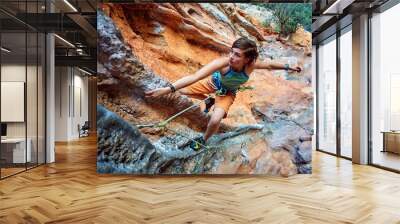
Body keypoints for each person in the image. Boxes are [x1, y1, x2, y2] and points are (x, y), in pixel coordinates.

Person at [145, 37, 301, 151]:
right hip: (211, 84)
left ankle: (203, 140)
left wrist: (289, 67)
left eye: (237, 55)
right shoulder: (223, 63)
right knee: (180, 91)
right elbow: (195, 77)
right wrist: (167, 89)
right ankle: (208, 101)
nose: (232, 57)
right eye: (232, 52)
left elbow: (270, 65)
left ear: (247, 59)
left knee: (215, 120)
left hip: (227, 94)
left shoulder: (251, 66)